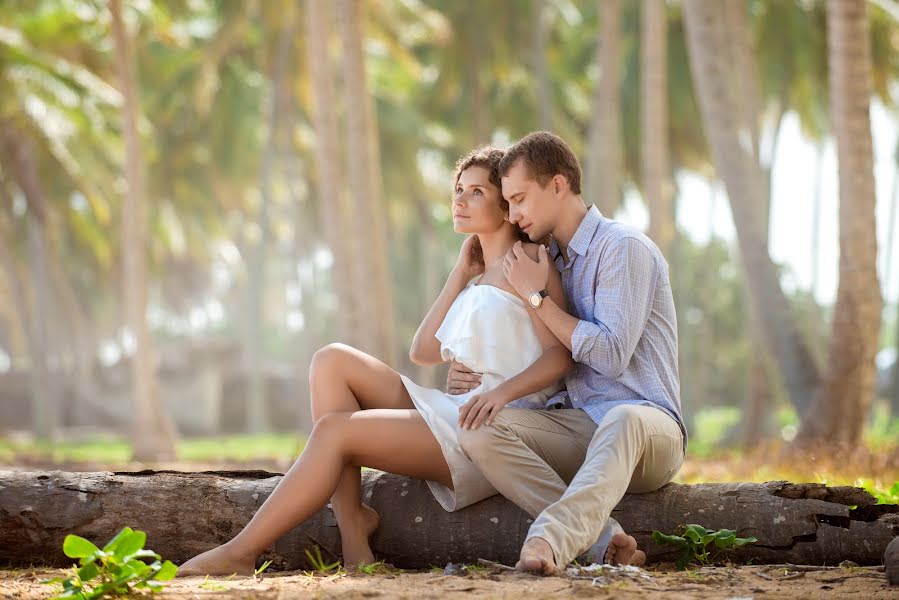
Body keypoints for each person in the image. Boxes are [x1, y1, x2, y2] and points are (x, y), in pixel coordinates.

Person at [177, 146, 605, 577]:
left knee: (334, 430)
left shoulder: (528, 263)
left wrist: (499, 390)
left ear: (507, 205)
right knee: (330, 361)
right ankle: (352, 525)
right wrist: (460, 273)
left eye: (477, 191)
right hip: (457, 408)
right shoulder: (478, 276)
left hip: (494, 430)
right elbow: (421, 350)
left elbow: (560, 358)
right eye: (458, 188)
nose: (459, 199)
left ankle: (243, 551)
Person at [449, 131, 688, 575]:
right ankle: (603, 539)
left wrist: (537, 298)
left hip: (649, 430)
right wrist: (479, 377)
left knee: (624, 418)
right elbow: (544, 353)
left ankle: (548, 540)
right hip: (581, 424)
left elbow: (612, 355)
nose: (514, 213)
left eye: (520, 199)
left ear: (558, 185)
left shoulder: (622, 248)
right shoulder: (547, 260)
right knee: (479, 429)